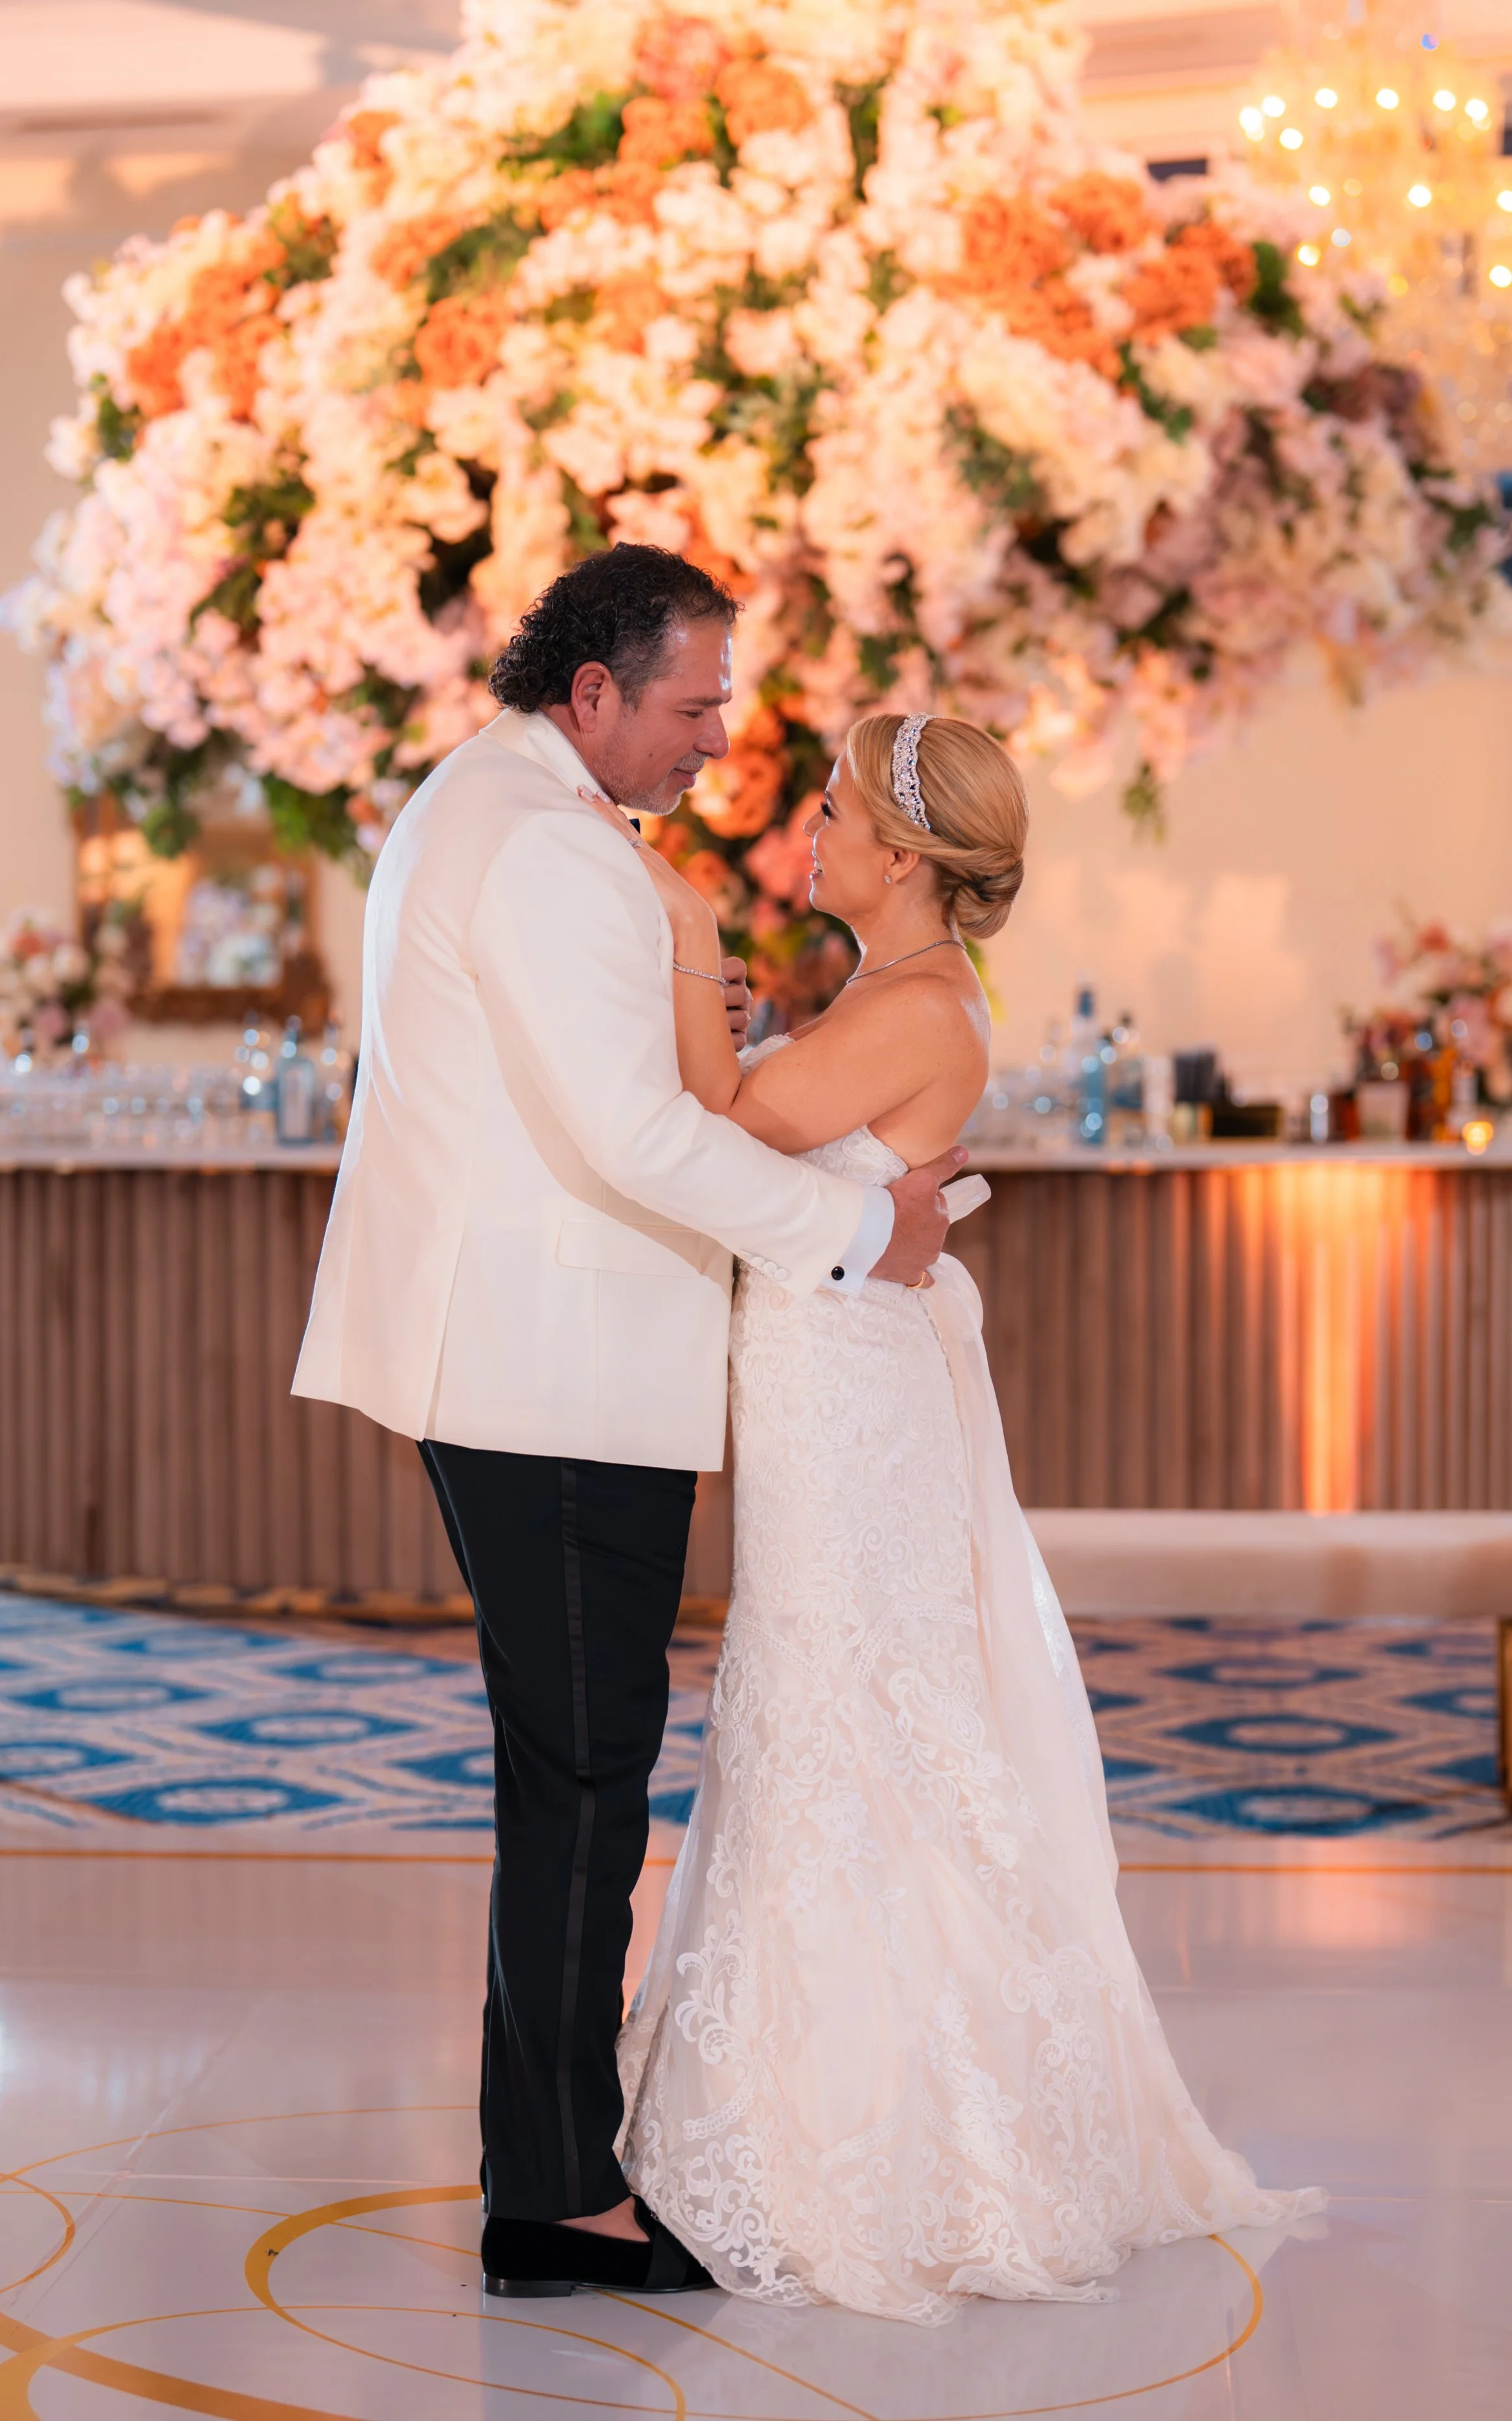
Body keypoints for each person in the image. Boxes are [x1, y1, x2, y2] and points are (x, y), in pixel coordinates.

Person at [292, 547, 965, 2299]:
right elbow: (634, 1144)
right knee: (589, 1771)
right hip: (555, 1370)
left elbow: (604, 1088)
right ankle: (561, 2197)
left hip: (545, 1359)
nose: (714, 741)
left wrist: (695, 1015)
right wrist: (857, 1237)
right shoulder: (545, 846)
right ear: (589, 691)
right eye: (689, 706)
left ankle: (551, 2166)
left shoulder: (507, 809)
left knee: (569, 1765)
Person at [616, 710, 1326, 2324]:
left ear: (904, 853)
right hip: (832, 1364)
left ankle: (883, 2133)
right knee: (826, 1697)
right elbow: (779, 1129)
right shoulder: (889, 993)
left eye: (833, 804)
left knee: (847, 1700)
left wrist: (684, 931)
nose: (809, 822)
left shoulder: (919, 1004)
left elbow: (721, 1128)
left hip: (845, 1391)